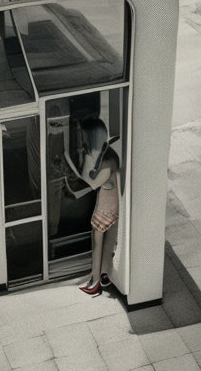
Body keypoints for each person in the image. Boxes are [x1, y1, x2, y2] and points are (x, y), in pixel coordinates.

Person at [64, 118, 120, 295]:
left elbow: (91, 183)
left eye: (84, 137)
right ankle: (102, 277)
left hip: (107, 209)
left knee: (98, 244)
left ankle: (95, 281)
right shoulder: (106, 155)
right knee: (106, 244)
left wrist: (74, 160)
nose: (82, 142)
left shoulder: (107, 161)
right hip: (108, 205)